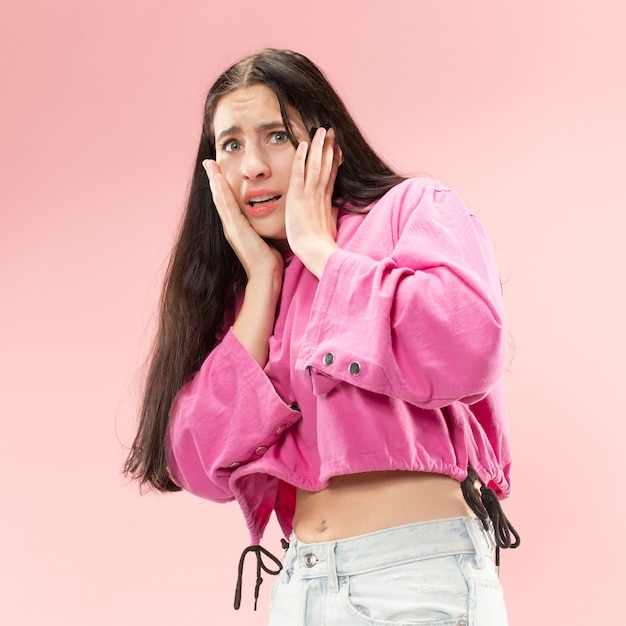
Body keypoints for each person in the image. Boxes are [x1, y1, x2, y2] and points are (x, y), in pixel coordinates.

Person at [125, 48, 519, 624]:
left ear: (324, 141)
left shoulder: (411, 210)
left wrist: (320, 251)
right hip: (300, 585)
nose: (252, 166)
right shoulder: (240, 295)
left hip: (416, 577)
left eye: (276, 136)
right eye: (230, 144)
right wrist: (261, 282)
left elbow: (469, 345)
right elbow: (192, 459)